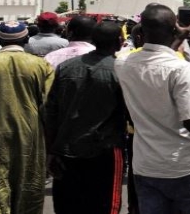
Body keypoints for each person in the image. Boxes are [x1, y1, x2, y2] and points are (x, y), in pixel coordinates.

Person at [115, 5, 190, 213]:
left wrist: (177, 38)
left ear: (141, 32)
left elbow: (156, 60)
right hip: (186, 165)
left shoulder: (122, 64)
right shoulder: (181, 69)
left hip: (146, 165)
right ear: (174, 30)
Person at [0, 21, 55, 214]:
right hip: (30, 138)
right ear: (27, 38)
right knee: (29, 192)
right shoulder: (41, 65)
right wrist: (52, 148)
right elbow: (49, 109)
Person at [44, 22, 128, 214]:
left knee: (69, 205)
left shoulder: (65, 67)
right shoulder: (120, 71)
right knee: (105, 205)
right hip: (104, 150)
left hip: (66, 149)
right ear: (119, 42)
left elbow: (50, 112)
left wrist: (51, 150)